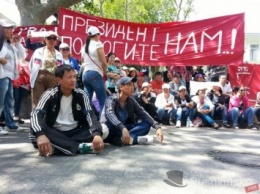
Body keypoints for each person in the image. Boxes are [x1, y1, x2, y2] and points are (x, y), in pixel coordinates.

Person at [30, 65, 108, 156]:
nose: (73, 80)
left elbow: (90, 115)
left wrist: (97, 135)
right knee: (35, 133)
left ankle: (57, 148)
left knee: (104, 129)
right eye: (69, 77)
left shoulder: (81, 94)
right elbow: (36, 114)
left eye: (74, 77)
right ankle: (79, 147)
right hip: (55, 132)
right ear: (59, 80)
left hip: (75, 132)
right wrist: (40, 135)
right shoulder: (50, 94)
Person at [100, 76, 163, 146]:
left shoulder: (130, 100)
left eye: (133, 85)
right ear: (121, 87)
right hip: (113, 127)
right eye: (129, 85)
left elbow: (142, 113)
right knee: (107, 128)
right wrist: (122, 128)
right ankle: (133, 139)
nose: (132, 87)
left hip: (125, 128)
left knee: (146, 124)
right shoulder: (111, 99)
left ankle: (122, 139)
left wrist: (157, 126)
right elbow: (110, 114)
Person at [0, 19, 26, 134]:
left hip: (8, 76)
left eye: (11, 28)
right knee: (1, 102)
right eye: (8, 28)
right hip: (2, 75)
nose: (11, 31)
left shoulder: (10, 44)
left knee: (9, 102)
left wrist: (18, 43)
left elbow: (22, 55)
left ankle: (10, 123)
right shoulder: (1, 43)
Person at [29, 31, 63, 109]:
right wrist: (34, 77)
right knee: (37, 100)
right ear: (45, 40)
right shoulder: (38, 51)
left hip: (53, 78)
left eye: (54, 38)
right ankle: (36, 119)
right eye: (49, 38)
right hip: (40, 77)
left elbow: (61, 68)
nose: (51, 40)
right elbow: (31, 65)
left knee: (51, 101)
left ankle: (48, 120)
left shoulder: (59, 54)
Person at [81, 26, 107, 113]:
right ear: (96, 35)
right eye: (99, 34)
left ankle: (86, 121)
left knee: (86, 101)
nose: (99, 36)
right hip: (95, 73)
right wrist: (104, 73)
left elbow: (82, 60)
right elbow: (104, 62)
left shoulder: (84, 46)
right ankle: (103, 122)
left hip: (85, 74)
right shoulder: (98, 44)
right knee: (103, 100)